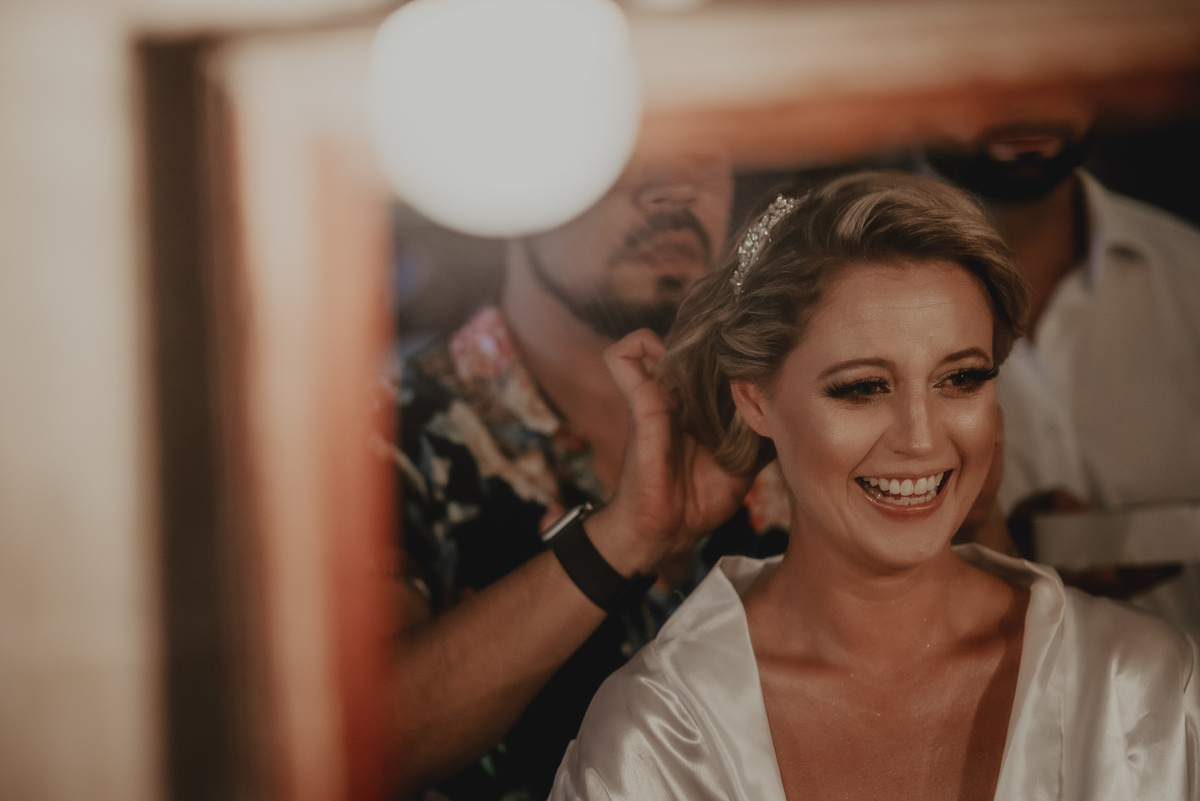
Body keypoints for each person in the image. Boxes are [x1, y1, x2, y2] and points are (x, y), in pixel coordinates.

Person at [549, 172, 1199, 800]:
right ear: (756, 401)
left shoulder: (1145, 687)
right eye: (862, 387)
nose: (920, 438)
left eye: (960, 378)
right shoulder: (659, 731)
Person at [388, 150, 785, 800]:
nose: (676, 188)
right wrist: (620, 539)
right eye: (622, 147)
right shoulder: (377, 441)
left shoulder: (798, 410)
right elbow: (360, 747)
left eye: (708, 144)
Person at [922, 107, 1200, 639]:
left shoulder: (1189, 276)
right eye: (991, 58)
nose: (1030, 98)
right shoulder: (821, 306)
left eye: (1059, 64)